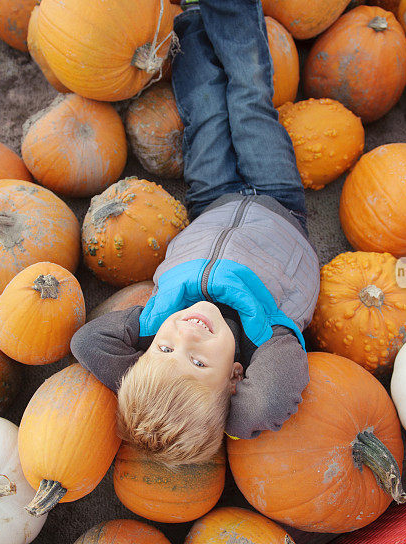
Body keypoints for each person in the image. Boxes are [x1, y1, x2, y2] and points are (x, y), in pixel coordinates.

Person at [70, 0, 319, 466]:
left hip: (211, 201)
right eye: (199, 362)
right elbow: (264, 405)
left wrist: (151, 336)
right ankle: (233, 10)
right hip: (279, 203)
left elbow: (86, 344)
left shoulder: (163, 317)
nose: (187, 336)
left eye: (166, 349)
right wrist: (226, 412)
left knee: (205, 116)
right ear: (236, 377)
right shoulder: (267, 339)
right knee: (248, 105)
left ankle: (188, 25)